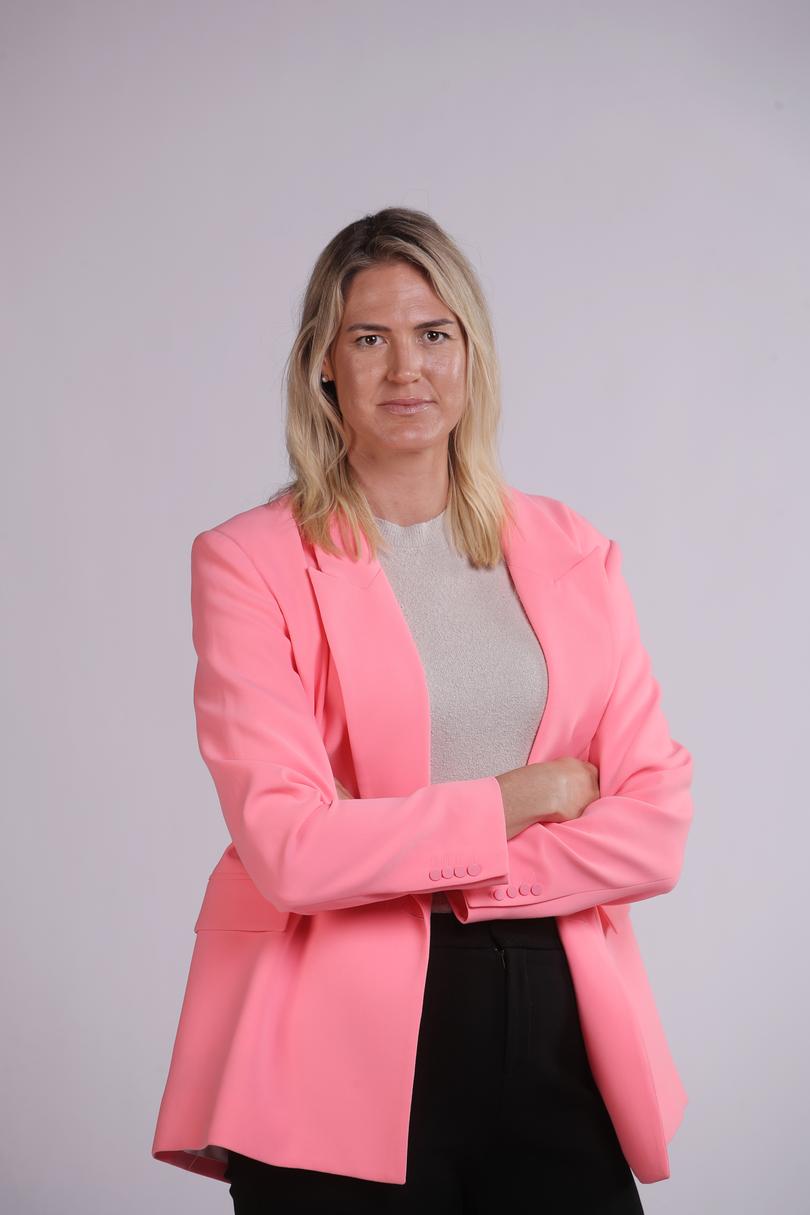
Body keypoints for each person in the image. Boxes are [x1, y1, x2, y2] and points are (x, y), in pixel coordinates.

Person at [151, 207, 694, 1213]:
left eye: (433, 333)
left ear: (470, 354)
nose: (407, 368)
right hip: (332, 1037)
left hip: (554, 1023)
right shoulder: (251, 564)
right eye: (370, 338)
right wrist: (518, 800)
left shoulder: (569, 547)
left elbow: (654, 832)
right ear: (324, 364)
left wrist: (450, 876)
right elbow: (291, 851)